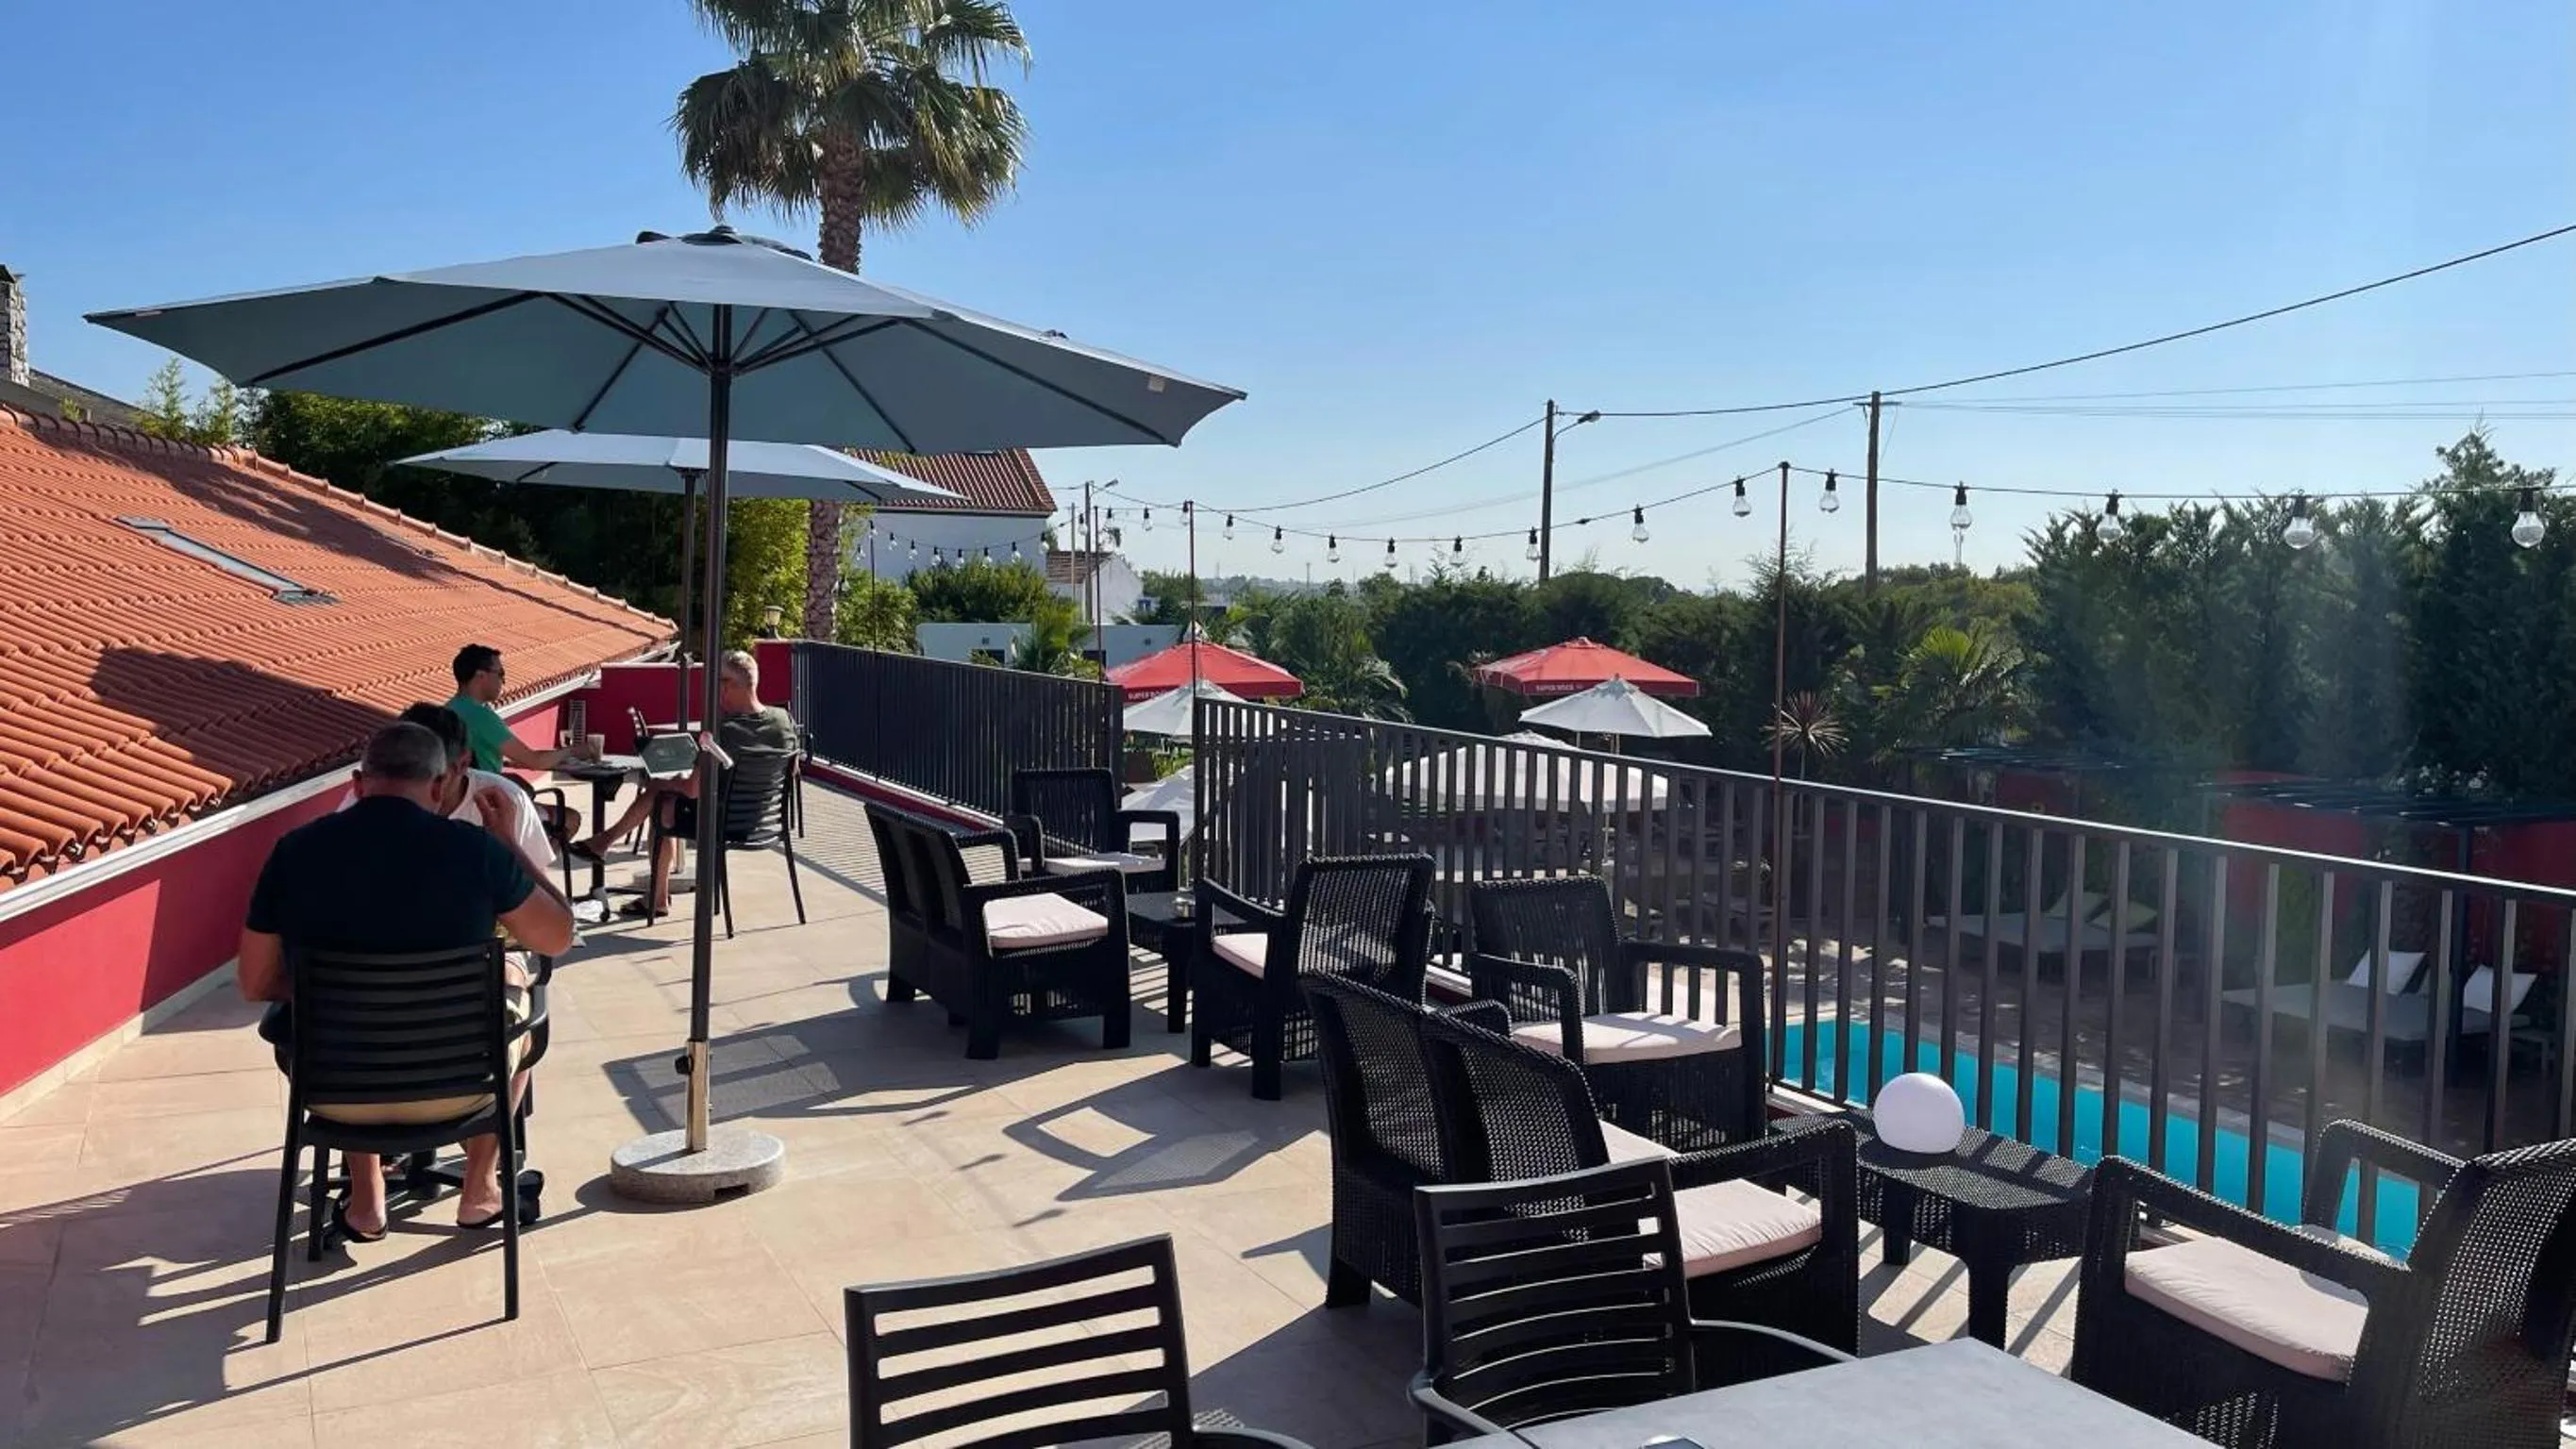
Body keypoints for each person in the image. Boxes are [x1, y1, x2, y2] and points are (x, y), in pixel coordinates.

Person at [239, 722, 576, 1239]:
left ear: (357, 782)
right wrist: (508, 842)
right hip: (465, 1090)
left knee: (337, 1020)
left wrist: (343, 989)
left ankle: (367, 1199)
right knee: (519, 1002)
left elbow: (256, 981)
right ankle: (480, 1189)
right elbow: (557, 937)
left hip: (335, 1095)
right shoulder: (476, 851)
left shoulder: (294, 852)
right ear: (440, 787)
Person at [571, 649, 797, 917]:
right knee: (666, 794)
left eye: (716, 682)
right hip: (761, 820)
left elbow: (692, 789)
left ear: (728, 686)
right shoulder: (784, 721)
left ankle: (647, 889)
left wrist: (672, 782)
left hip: (721, 822)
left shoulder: (721, 731)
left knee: (662, 801)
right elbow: (791, 771)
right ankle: (607, 845)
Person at [446, 643, 593, 775]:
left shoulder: (448, 709)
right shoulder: (481, 716)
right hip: (486, 797)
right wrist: (572, 751)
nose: (503, 682)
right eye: (500, 674)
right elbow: (534, 761)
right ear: (480, 676)